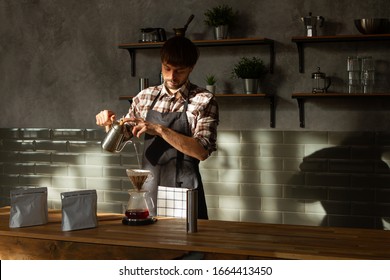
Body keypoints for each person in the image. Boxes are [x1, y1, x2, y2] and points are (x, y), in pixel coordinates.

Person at [96, 36, 219, 219]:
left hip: (184, 190)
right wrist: (109, 123)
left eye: (179, 71)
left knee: (187, 245)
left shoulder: (204, 100)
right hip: (148, 190)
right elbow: (118, 142)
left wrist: (160, 129)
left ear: (191, 68)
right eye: (166, 69)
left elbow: (201, 151)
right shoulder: (144, 97)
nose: (171, 76)